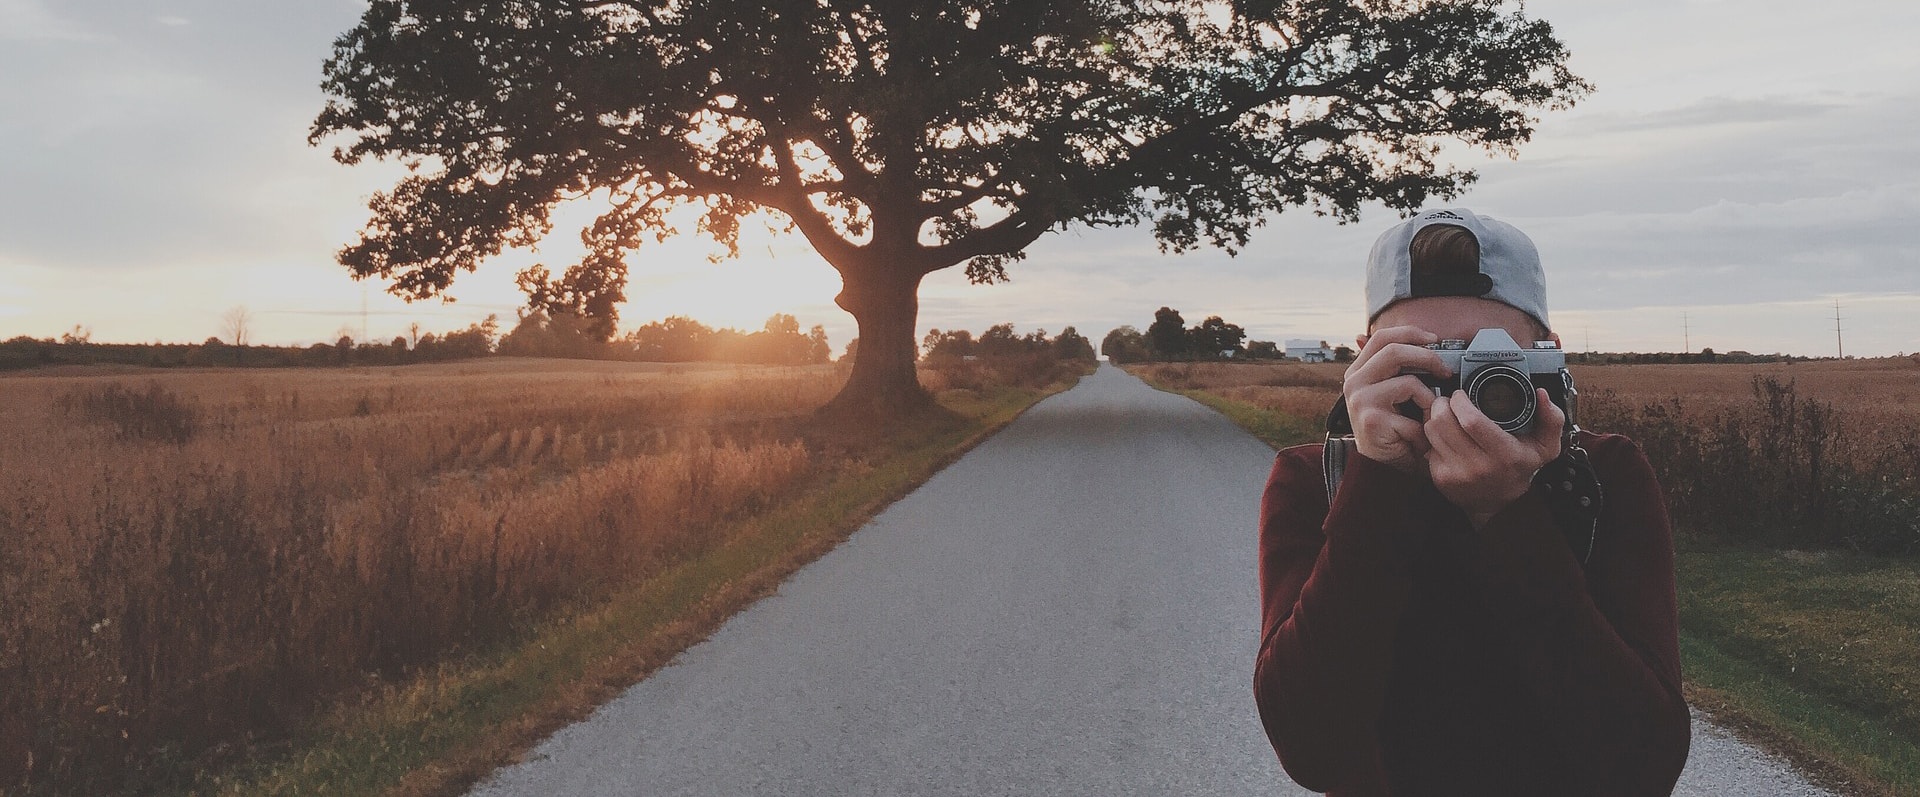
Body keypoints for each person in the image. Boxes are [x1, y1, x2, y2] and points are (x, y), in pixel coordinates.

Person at [1252, 209, 1691, 795]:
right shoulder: (1316, 480)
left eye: (1492, 362)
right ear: (1366, 361)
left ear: (1549, 357)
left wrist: (1506, 513)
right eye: (1430, 361)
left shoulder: (1603, 476)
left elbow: (1645, 765)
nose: (1461, 394)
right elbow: (1311, 748)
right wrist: (1378, 482)